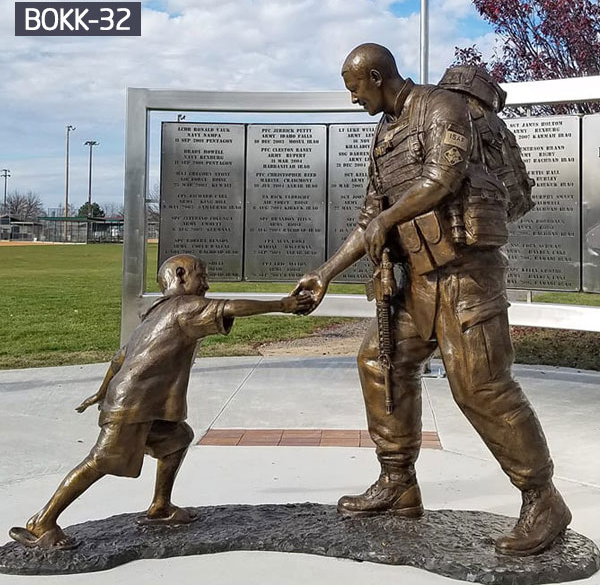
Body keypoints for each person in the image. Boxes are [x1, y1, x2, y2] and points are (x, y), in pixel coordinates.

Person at [292, 43, 571, 556]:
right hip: (416, 279)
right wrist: (325, 272)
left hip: (466, 275)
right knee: (380, 360)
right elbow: (368, 218)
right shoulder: (383, 134)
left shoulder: (443, 106)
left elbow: (442, 178)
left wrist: (385, 220)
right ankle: (398, 482)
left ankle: (543, 499)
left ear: (376, 76)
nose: (351, 98)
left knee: (481, 388)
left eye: (354, 88)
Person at [9, 253, 311, 550]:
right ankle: (42, 522)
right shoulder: (185, 307)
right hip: (134, 404)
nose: (206, 285)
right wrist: (283, 305)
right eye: (201, 276)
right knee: (99, 462)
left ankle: (160, 506)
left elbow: (120, 357)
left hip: (141, 403)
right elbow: (230, 307)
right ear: (180, 276)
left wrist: (102, 391)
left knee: (177, 439)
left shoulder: (156, 312)